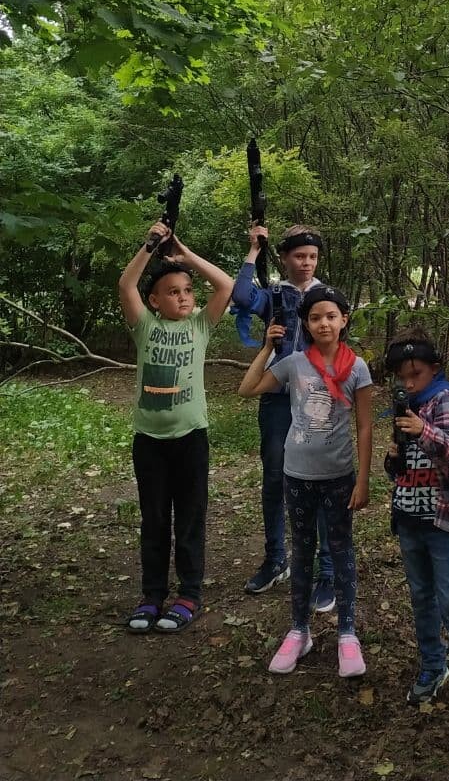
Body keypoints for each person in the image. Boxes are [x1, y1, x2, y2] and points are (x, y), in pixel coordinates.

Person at [239, 283, 372, 678]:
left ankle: (347, 632)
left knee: (341, 551)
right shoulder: (295, 363)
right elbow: (248, 389)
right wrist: (267, 347)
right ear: (307, 324)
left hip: (338, 475)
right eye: (316, 318)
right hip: (297, 474)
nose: (324, 323)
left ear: (344, 320)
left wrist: (362, 480)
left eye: (331, 316)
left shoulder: (357, 367)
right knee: (301, 552)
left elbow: (365, 428)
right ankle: (300, 629)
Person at [118, 222, 234, 633]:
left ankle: (189, 594)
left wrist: (186, 257)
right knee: (153, 519)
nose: (183, 297)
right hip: (149, 442)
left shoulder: (200, 326)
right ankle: (151, 595)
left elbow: (225, 285)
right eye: (172, 291)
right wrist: (149, 244)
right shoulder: (145, 327)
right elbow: (126, 284)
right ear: (154, 301)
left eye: (187, 290)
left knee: (189, 518)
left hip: (191, 440)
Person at [384, 331, 449, 736]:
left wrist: (420, 430)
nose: (409, 383)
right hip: (408, 517)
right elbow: (401, 469)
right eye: (403, 377)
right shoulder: (406, 403)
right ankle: (432, 666)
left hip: (441, 520)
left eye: (417, 374)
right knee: (421, 597)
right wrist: (393, 458)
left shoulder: (444, 399)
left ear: (435, 369)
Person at [232, 223, 335, 605]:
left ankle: (327, 570)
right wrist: (254, 250)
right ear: (285, 257)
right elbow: (241, 295)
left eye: (312, 257)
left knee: (322, 481)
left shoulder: (326, 297)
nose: (306, 264)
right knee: (275, 476)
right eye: (298, 256)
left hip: (316, 399)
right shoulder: (274, 295)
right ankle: (276, 558)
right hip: (277, 396)